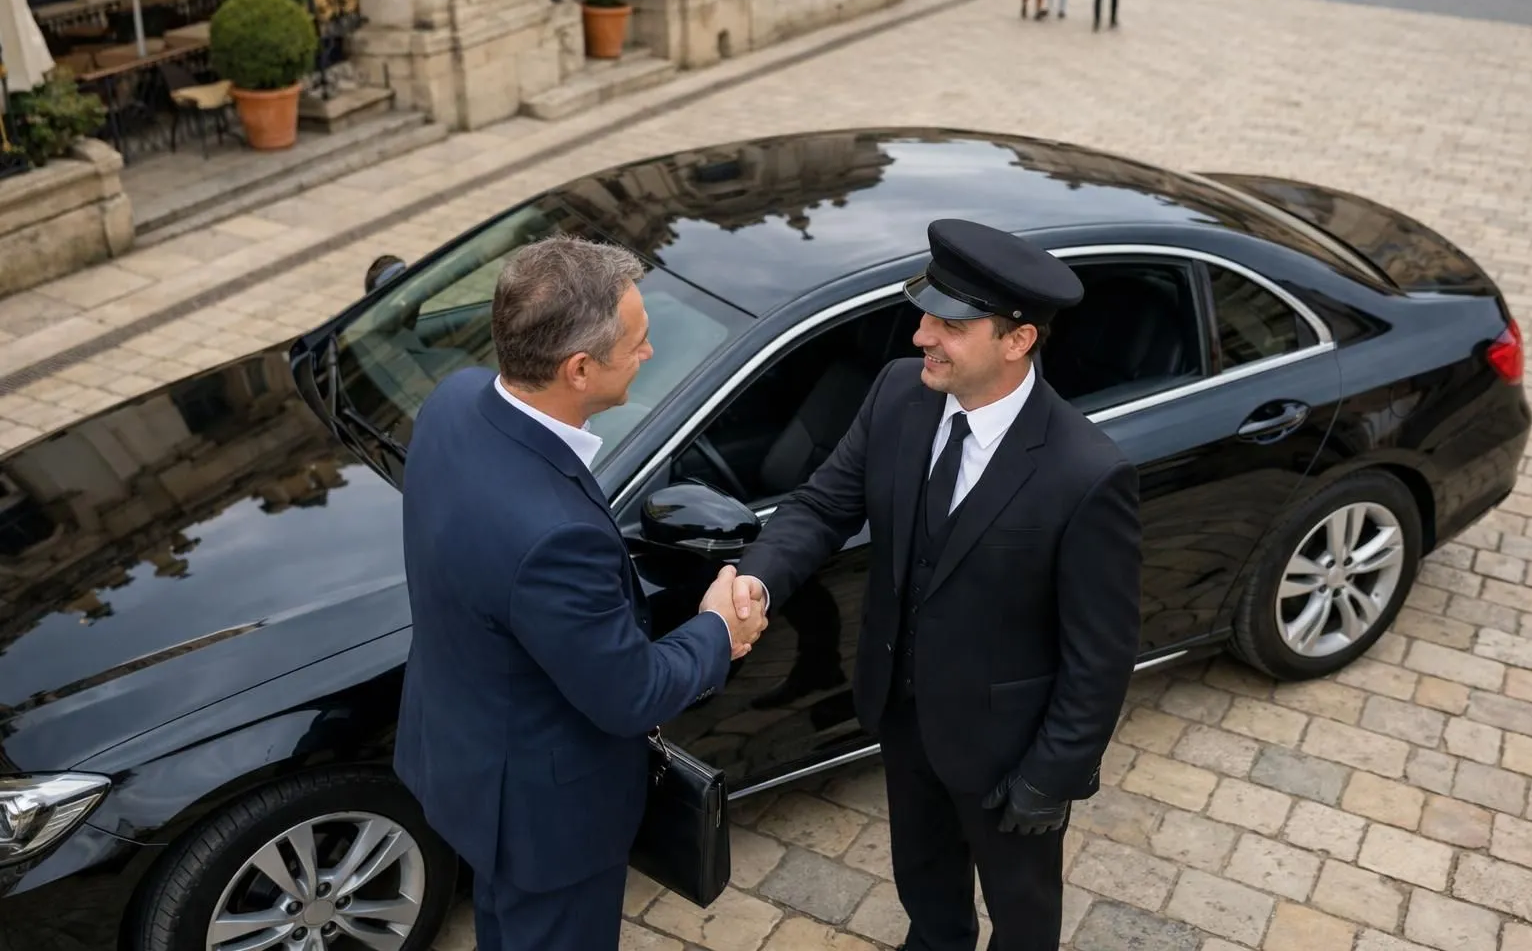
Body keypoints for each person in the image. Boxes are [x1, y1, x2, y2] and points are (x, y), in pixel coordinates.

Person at [731, 219, 1142, 951]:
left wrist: (1053, 774)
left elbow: (1100, 655)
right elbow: (824, 504)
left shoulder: (1087, 473)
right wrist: (758, 581)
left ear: (1017, 341)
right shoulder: (897, 393)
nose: (923, 336)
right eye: (926, 314)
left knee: (1021, 913)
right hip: (901, 713)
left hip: (1010, 751)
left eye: (950, 325)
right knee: (925, 887)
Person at [393, 234, 769, 951]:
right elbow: (631, 694)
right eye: (637, 343)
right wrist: (719, 629)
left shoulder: (455, 401)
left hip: (463, 755)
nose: (649, 354)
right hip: (545, 819)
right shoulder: (554, 539)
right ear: (578, 368)